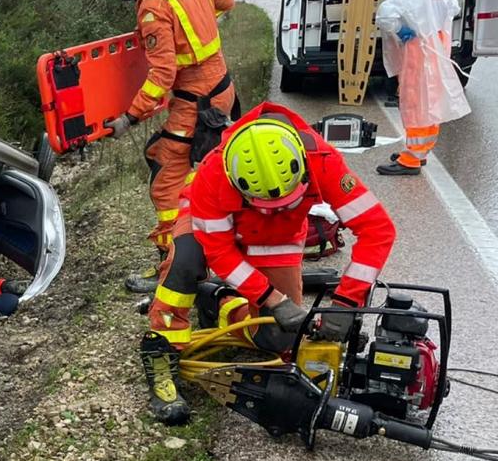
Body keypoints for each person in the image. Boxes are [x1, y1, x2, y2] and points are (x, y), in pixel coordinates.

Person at [140, 102, 396, 424]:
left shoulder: (323, 160)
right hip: (217, 219)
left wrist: (346, 301)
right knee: (187, 262)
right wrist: (273, 298)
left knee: (278, 339)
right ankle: (162, 350)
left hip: (281, 233)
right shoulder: (212, 175)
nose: (272, 207)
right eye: (267, 204)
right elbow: (220, 252)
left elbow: (377, 229)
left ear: (302, 165)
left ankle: (217, 302)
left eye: (283, 200)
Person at [92, 0, 238, 293]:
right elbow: (228, 1)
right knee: (199, 172)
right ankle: (211, 249)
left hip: (196, 103)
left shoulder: (153, 8)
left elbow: (162, 74)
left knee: (166, 183)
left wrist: (129, 117)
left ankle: (174, 269)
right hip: (222, 90)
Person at [375, 0, 472, 176]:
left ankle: (412, 158)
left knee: (415, 100)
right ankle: (422, 150)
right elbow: (454, 7)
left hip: (418, 49)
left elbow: (385, 16)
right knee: (431, 100)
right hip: (438, 46)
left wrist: (401, 29)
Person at [377, 0, 406, 106]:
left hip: (396, 23)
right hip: (390, 24)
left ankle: (399, 93)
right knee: (393, 59)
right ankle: (395, 92)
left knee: (399, 59)